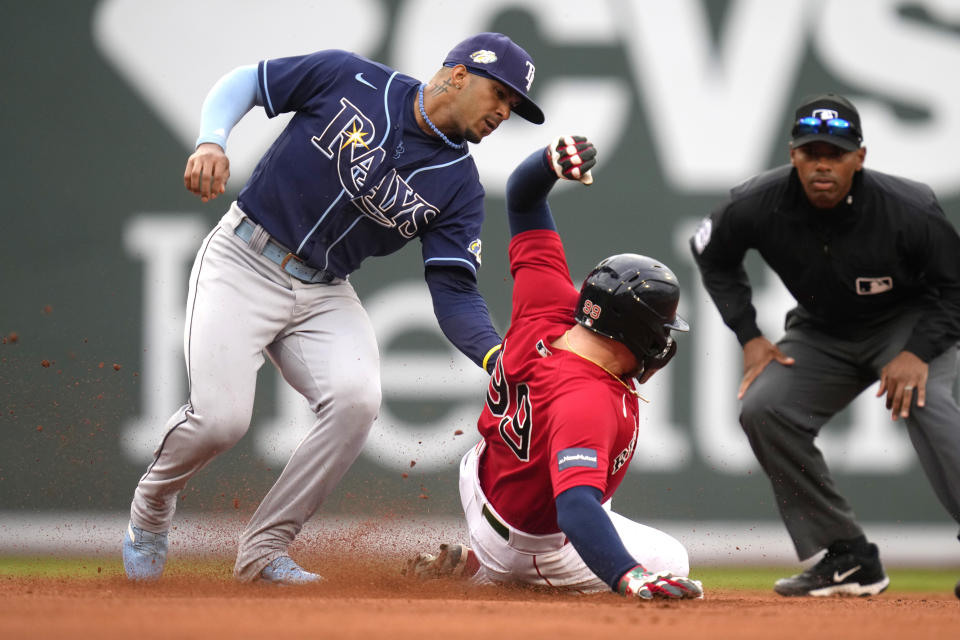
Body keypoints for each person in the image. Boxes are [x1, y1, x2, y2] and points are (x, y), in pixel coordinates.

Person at [122, 32, 546, 584]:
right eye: (501, 94)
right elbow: (247, 83)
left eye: (514, 106)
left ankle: (263, 552)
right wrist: (212, 140)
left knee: (356, 400)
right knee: (220, 421)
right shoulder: (353, 78)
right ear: (460, 74)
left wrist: (496, 357)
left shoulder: (460, 185)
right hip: (244, 256)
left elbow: (454, 289)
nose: (504, 112)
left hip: (323, 289)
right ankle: (151, 509)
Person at [405, 136, 703, 600]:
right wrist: (629, 575)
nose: (665, 339)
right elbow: (575, 509)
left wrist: (548, 162)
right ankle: (490, 572)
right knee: (670, 559)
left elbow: (522, 198)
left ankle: (481, 560)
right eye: (662, 327)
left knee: (589, 488)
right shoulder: (587, 401)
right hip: (531, 542)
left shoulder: (550, 303)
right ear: (636, 331)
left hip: (483, 478)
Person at [690, 93, 960, 597]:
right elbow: (710, 252)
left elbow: (955, 286)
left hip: (908, 324)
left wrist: (918, 351)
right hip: (824, 330)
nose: (822, 165)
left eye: (835, 154)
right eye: (811, 152)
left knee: (927, 403)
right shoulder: (757, 202)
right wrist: (749, 336)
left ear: (859, 157)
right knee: (764, 408)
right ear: (793, 153)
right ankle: (847, 557)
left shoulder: (908, 208)